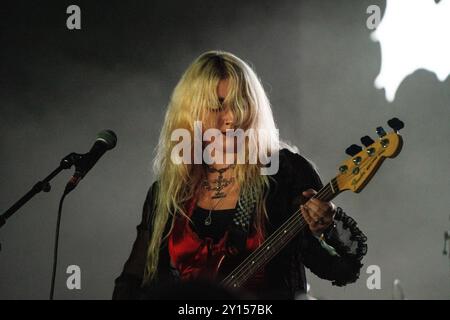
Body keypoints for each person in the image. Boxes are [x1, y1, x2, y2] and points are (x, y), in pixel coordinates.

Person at [112, 51, 367, 300]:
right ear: (190, 114)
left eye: (240, 103)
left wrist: (325, 230)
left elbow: (341, 270)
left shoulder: (284, 173)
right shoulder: (168, 192)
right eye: (218, 106)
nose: (232, 118)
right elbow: (134, 279)